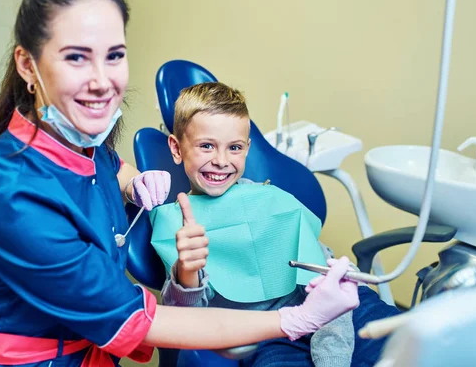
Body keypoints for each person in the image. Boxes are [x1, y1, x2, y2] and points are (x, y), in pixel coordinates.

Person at [0, 0, 359, 366]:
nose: (101, 81)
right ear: (27, 65)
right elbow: (141, 321)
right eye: (76, 57)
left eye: (114, 56)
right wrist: (296, 320)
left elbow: (110, 167)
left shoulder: (77, 142)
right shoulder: (15, 199)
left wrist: (133, 183)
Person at [153, 82, 401, 367]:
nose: (221, 161)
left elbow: (323, 270)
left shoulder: (271, 199)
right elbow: (185, 321)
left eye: (234, 147)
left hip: (339, 311)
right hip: (268, 334)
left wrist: (332, 356)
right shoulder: (181, 226)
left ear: (247, 149)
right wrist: (188, 272)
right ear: (176, 148)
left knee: (412, 342)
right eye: (206, 146)